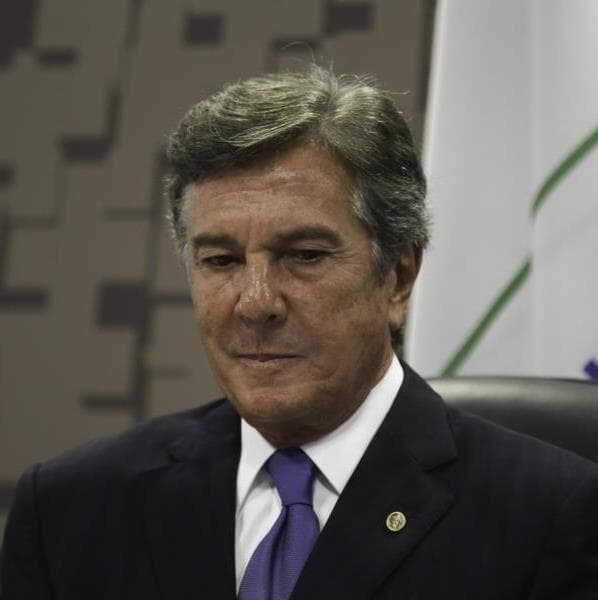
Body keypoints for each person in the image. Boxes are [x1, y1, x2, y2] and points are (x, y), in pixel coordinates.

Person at [2, 66, 598, 600]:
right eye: (220, 261)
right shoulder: (69, 509)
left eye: (305, 255)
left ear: (398, 277)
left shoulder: (552, 514)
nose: (256, 303)